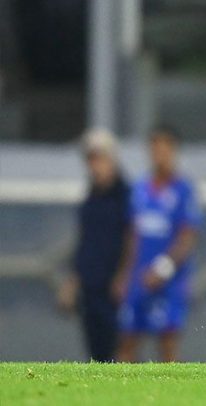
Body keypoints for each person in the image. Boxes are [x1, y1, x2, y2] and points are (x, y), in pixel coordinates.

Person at [117, 125, 203, 362]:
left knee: (167, 345)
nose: (159, 154)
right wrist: (124, 274)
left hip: (169, 281)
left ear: (174, 151)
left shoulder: (183, 190)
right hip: (138, 277)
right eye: (154, 148)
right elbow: (133, 234)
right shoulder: (139, 189)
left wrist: (163, 268)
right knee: (127, 341)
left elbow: (188, 236)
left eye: (165, 148)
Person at [57, 128, 132, 362]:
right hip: (91, 286)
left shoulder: (127, 196)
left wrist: (124, 276)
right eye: (90, 160)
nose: (94, 166)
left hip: (115, 288)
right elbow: (85, 243)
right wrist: (72, 282)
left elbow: (133, 238)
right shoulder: (91, 197)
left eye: (98, 159)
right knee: (97, 353)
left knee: (122, 350)